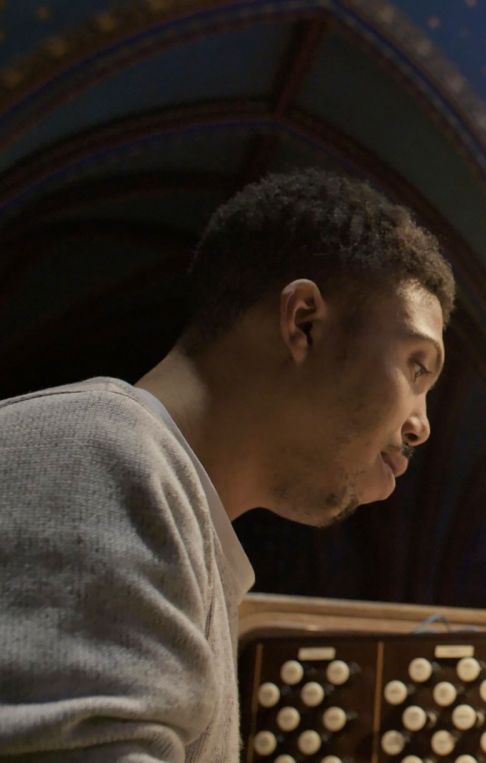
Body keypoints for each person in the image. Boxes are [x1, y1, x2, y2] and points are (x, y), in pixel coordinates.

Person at [0, 170, 456, 760]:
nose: (421, 424)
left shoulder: (170, 501)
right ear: (304, 324)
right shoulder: (97, 454)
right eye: (417, 367)